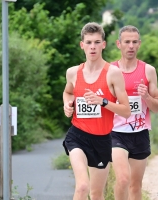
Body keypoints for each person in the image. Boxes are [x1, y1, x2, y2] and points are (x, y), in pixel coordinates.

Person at [62, 22, 131, 200]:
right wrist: (67, 104)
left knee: (96, 193)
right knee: (83, 186)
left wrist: (103, 102)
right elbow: (67, 92)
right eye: (89, 42)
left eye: (97, 42)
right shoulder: (72, 73)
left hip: (102, 139)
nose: (93, 47)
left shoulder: (113, 73)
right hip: (77, 136)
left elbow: (126, 111)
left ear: (103, 44)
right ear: (82, 45)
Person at [110, 25, 158, 200]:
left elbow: (157, 107)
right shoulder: (109, 70)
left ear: (139, 44)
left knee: (135, 185)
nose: (130, 46)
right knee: (123, 179)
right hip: (115, 133)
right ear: (119, 44)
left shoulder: (148, 70)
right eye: (127, 42)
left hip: (139, 133)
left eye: (134, 42)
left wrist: (146, 96)